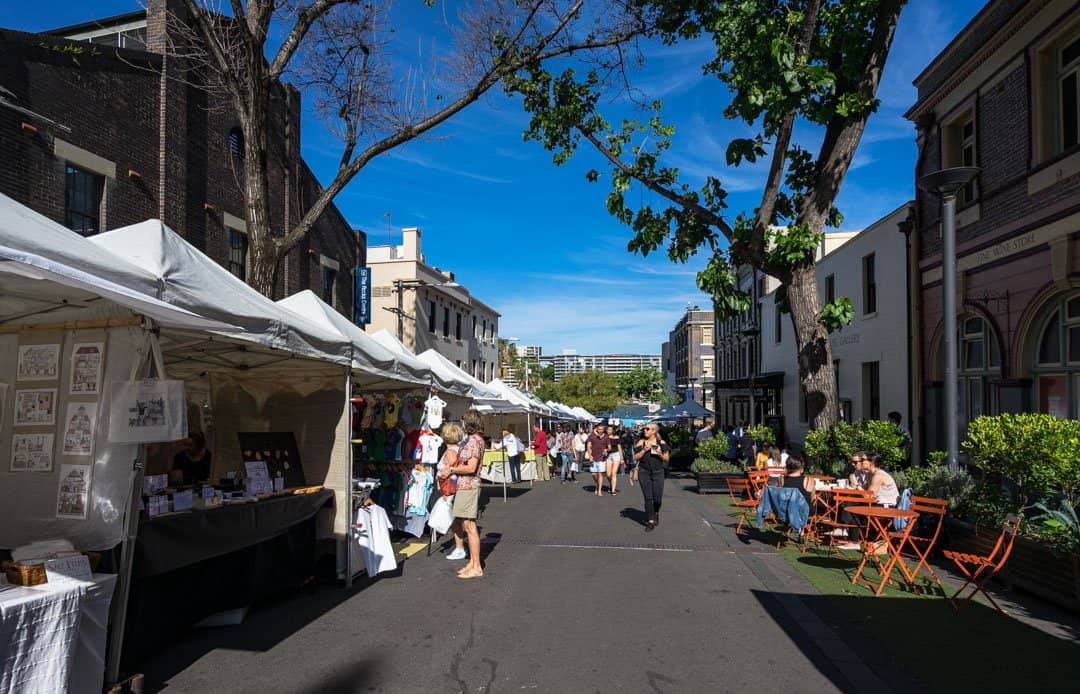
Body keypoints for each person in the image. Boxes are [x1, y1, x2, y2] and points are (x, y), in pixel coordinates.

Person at [446, 411, 485, 578]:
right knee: (468, 525)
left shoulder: (474, 441)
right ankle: (472, 562)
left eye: (463, 421)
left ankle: (476, 567)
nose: (461, 424)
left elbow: (471, 467)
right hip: (466, 485)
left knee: (470, 526)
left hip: (469, 485)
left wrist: (452, 469)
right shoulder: (473, 440)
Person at [837, 454, 900, 551]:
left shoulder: (879, 475)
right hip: (877, 504)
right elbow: (866, 493)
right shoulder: (871, 474)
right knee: (850, 503)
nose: (860, 462)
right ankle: (845, 531)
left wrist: (856, 483)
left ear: (872, 462)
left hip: (887, 508)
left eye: (863, 460)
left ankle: (850, 537)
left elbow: (867, 496)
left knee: (852, 506)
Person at [438, 422, 467, 561]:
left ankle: (459, 547)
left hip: (450, 489)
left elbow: (451, 471)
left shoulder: (450, 452)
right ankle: (459, 546)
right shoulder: (458, 449)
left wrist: (442, 476)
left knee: (453, 520)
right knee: (456, 520)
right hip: (454, 489)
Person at [633, 423, 670, 531]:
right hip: (644, 472)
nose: (645, 430)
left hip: (658, 472)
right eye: (644, 428)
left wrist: (660, 454)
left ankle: (656, 512)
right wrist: (644, 450)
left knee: (657, 499)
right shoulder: (641, 442)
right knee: (648, 498)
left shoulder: (661, 443)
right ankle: (650, 520)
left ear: (654, 431)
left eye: (647, 429)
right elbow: (636, 457)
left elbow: (667, 459)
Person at [586, 423, 612, 497]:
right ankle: (597, 484)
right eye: (599, 429)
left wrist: (606, 450)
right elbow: (588, 446)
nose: (600, 431)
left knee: (600, 474)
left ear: (604, 430)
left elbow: (609, 447)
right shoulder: (592, 436)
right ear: (597, 429)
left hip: (602, 458)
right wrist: (590, 456)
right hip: (593, 457)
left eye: (602, 429)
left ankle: (599, 491)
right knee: (594, 474)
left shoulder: (606, 437)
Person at [605, 426, 622, 497]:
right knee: (608, 475)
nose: (608, 431)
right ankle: (611, 484)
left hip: (616, 455)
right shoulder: (605, 437)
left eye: (610, 430)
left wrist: (622, 458)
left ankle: (613, 490)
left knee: (613, 473)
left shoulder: (616, 437)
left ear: (613, 431)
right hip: (608, 456)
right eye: (607, 429)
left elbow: (619, 448)